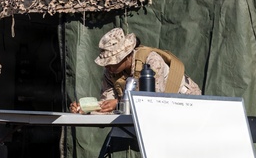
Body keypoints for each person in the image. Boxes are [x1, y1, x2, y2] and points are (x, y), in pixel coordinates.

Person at [69, 28, 201, 114]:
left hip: (187, 105)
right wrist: (85, 108)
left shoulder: (151, 61)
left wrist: (118, 103)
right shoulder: (111, 72)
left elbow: (153, 100)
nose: (108, 66)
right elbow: (107, 103)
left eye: (112, 62)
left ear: (126, 56)